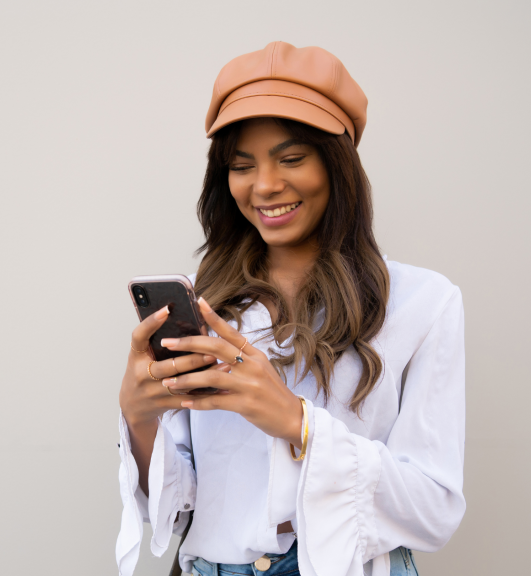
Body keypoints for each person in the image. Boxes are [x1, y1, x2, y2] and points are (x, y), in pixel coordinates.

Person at [116, 41, 465, 576]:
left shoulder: (424, 302)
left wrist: (298, 424)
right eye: (241, 164)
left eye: (292, 158)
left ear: (337, 163)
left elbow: (434, 508)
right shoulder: (209, 305)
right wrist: (139, 419)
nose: (265, 186)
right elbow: (181, 501)